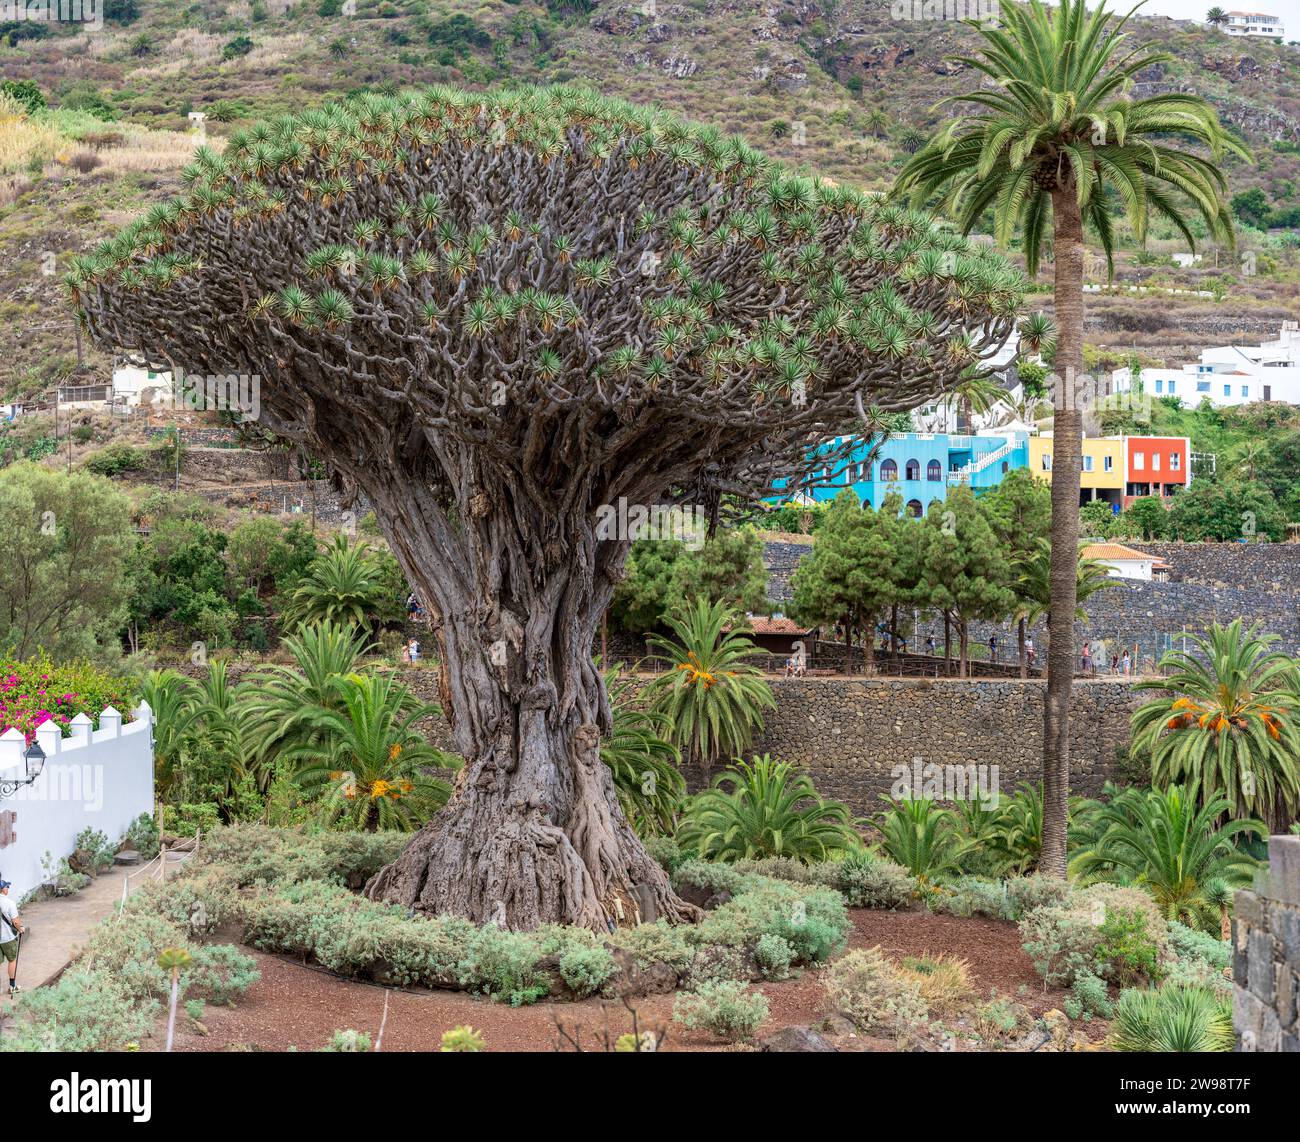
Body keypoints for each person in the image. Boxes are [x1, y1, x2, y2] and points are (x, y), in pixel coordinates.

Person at [0, 880, 24, 995]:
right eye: (7, 887)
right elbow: (15, 921)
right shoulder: (9, 903)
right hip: (7, 938)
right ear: (2, 889)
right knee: (12, 960)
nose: (8, 889)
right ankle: (12, 986)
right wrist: (20, 929)